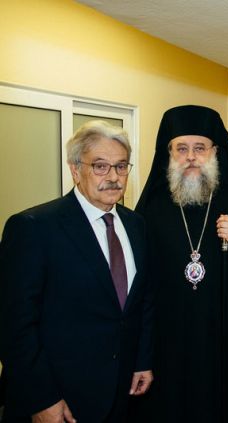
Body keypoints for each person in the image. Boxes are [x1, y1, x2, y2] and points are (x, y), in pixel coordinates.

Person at [0, 120, 153, 422]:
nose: (113, 177)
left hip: (122, 393)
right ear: (75, 169)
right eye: (100, 166)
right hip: (59, 398)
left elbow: (143, 301)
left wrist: (141, 361)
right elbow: (14, 325)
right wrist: (41, 399)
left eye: (121, 166)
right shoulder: (34, 227)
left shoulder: (136, 225)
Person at [133, 105, 228, 422]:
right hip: (166, 336)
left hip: (220, 332)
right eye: (181, 149)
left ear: (215, 152)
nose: (191, 157)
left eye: (200, 148)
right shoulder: (150, 209)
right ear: (169, 153)